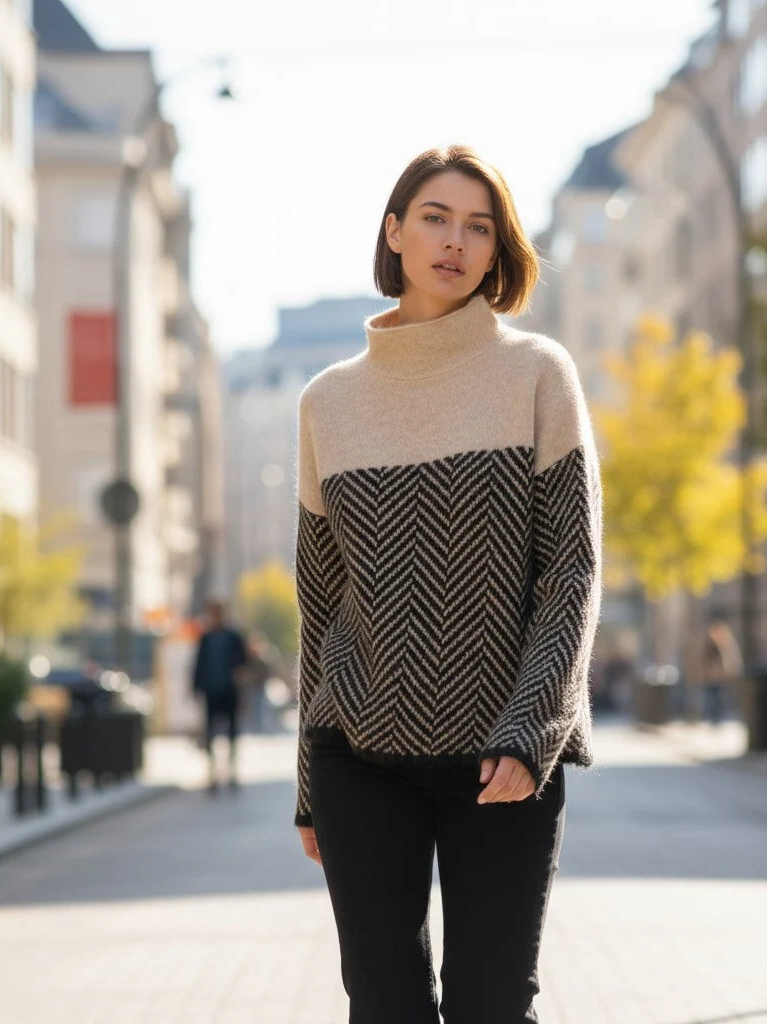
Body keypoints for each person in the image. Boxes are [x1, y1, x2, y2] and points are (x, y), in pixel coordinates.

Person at [293, 146, 602, 1022]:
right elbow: (322, 606)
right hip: (359, 762)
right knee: (384, 1005)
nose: (455, 242)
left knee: (491, 1003)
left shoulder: (538, 372)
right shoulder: (327, 401)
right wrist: (308, 790)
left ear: (500, 253)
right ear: (394, 232)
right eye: (434, 217)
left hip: (502, 759)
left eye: (480, 227)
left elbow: (571, 570)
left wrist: (531, 730)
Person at [191, 598, 248, 791]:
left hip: (229, 690)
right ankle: (212, 773)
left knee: (232, 732)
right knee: (210, 733)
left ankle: (231, 772)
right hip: (211, 690)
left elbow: (244, 662)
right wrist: (196, 688)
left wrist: (239, 677)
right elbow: (198, 664)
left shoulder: (234, 637)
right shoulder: (205, 638)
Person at [695, 612, 743, 726]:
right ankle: (713, 718)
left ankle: (716, 718)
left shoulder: (725, 643)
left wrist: (732, 670)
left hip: (720, 676)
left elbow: (731, 657)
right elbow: (703, 659)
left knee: (718, 698)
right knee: (711, 698)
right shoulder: (708, 643)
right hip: (710, 676)